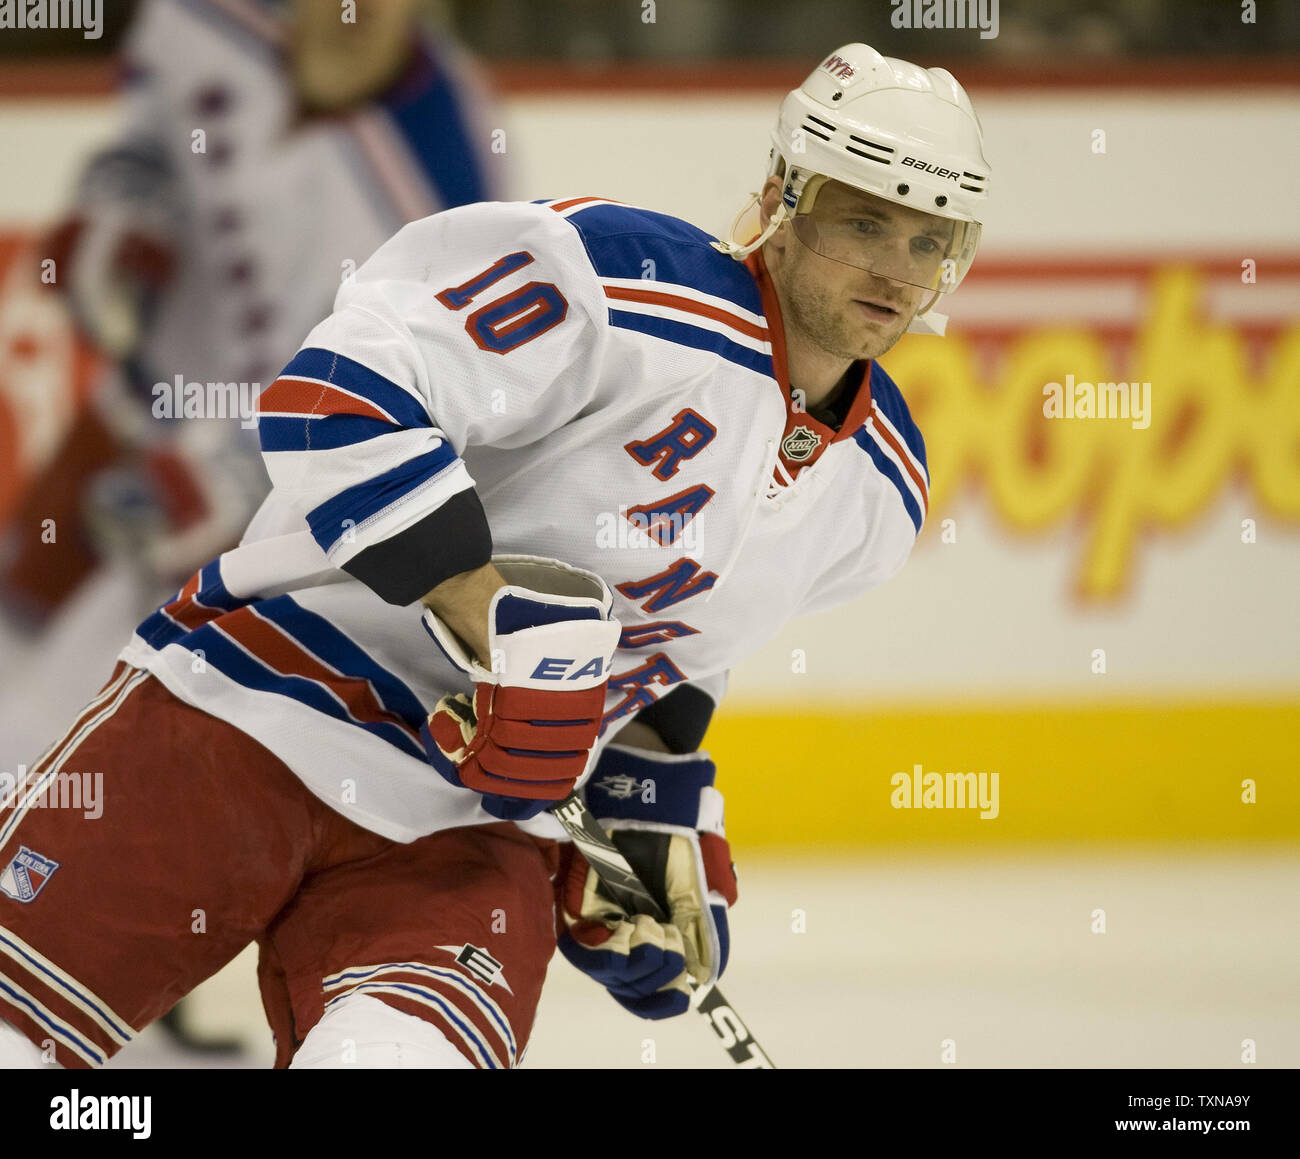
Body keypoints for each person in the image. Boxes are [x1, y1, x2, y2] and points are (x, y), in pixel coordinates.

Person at [0, 42, 990, 1069]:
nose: (894, 268)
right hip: (253, 715)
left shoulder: (880, 493)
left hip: (468, 827)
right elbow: (334, 394)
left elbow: (677, 650)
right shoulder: (623, 282)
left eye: (929, 241)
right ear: (786, 197)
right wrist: (484, 604)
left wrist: (649, 818)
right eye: (865, 219)